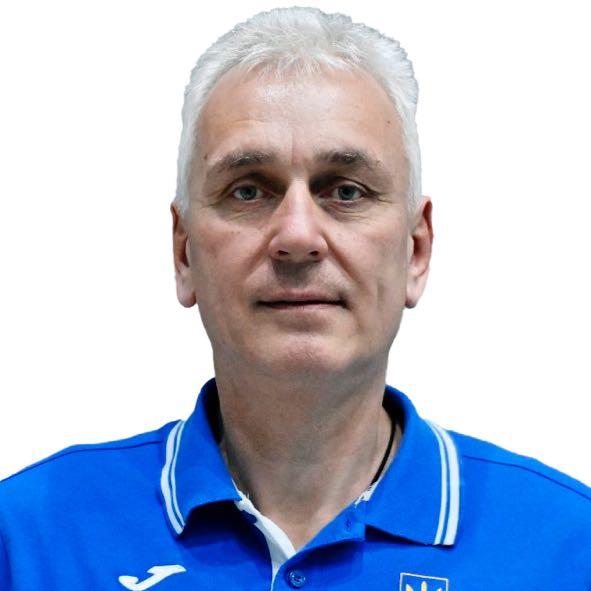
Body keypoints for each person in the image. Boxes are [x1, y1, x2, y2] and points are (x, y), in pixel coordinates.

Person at [0, 6, 589, 590]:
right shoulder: (29, 539)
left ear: (415, 251)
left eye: (347, 191)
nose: (299, 237)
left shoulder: (566, 548)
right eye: (248, 190)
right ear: (184, 253)